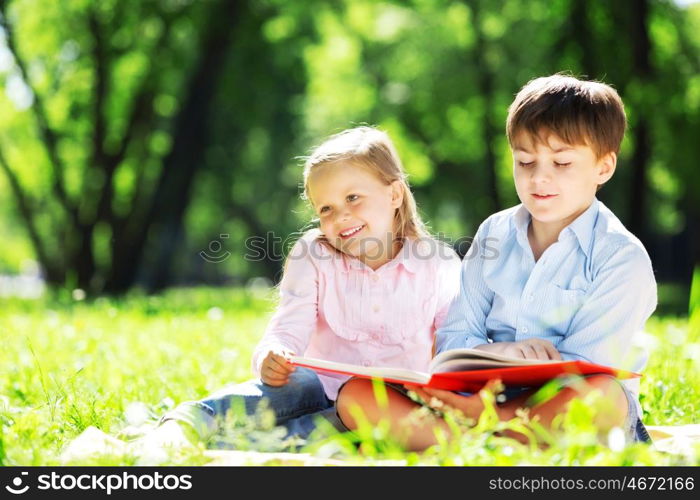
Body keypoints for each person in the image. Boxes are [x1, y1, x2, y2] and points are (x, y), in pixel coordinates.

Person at [335, 75, 658, 451]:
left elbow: (590, 366)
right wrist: (497, 356)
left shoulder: (621, 257)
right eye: (525, 161)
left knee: (602, 396)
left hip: (563, 404)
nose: (539, 177)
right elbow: (456, 337)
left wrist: (479, 409)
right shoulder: (495, 232)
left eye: (562, 162)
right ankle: (499, 439)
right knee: (357, 394)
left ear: (604, 167)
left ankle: (472, 435)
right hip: (482, 395)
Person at [143, 126, 462, 450]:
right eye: (326, 209)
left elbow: (454, 345)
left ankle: (235, 446)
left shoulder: (437, 264)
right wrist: (273, 354)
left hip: (383, 404)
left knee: (332, 434)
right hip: (318, 386)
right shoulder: (313, 254)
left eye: (353, 197)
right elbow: (288, 326)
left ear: (394, 194)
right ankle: (192, 421)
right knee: (295, 386)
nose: (340, 215)